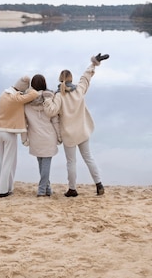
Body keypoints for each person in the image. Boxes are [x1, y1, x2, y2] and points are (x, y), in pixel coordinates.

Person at [43, 53, 109, 197]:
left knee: (71, 162)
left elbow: (51, 111)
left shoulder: (59, 96)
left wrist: (47, 98)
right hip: (82, 131)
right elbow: (86, 77)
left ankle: (72, 189)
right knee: (89, 158)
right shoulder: (79, 90)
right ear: (71, 79)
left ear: (60, 80)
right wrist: (93, 64)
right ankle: (99, 184)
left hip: (69, 135)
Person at [0, 75, 39, 198]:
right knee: (9, 162)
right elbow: (34, 94)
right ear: (21, 89)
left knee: (0, 161)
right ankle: (4, 190)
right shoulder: (16, 98)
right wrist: (30, 89)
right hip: (9, 132)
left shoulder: (3, 94)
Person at [23, 74, 62, 197]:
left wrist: (24, 139)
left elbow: (24, 123)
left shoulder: (27, 103)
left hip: (34, 136)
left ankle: (47, 188)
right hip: (49, 136)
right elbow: (55, 120)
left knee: (41, 163)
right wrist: (59, 136)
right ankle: (42, 189)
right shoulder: (49, 100)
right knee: (45, 163)